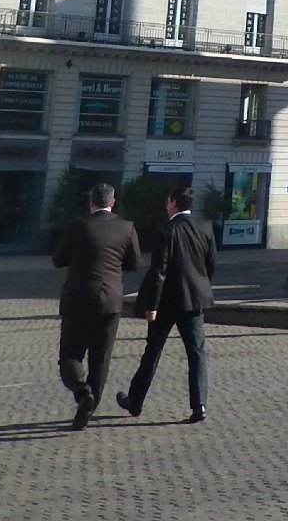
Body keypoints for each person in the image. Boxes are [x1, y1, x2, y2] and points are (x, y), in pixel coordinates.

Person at [117, 185, 218, 423]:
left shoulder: (167, 229)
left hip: (167, 302)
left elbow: (158, 270)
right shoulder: (205, 227)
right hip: (194, 300)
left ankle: (135, 401)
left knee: (152, 351)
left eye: (167, 200)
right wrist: (201, 287)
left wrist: (151, 304)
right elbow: (211, 264)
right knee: (196, 353)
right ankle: (199, 404)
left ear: (173, 202)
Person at [51, 182, 143, 430]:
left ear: (91, 202)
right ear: (113, 202)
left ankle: (82, 392)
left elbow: (58, 259)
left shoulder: (77, 226)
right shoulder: (126, 227)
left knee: (70, 355)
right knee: (100, 359)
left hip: (78, 298)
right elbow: (134, 262)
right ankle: (90, 407)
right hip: (110, 300)